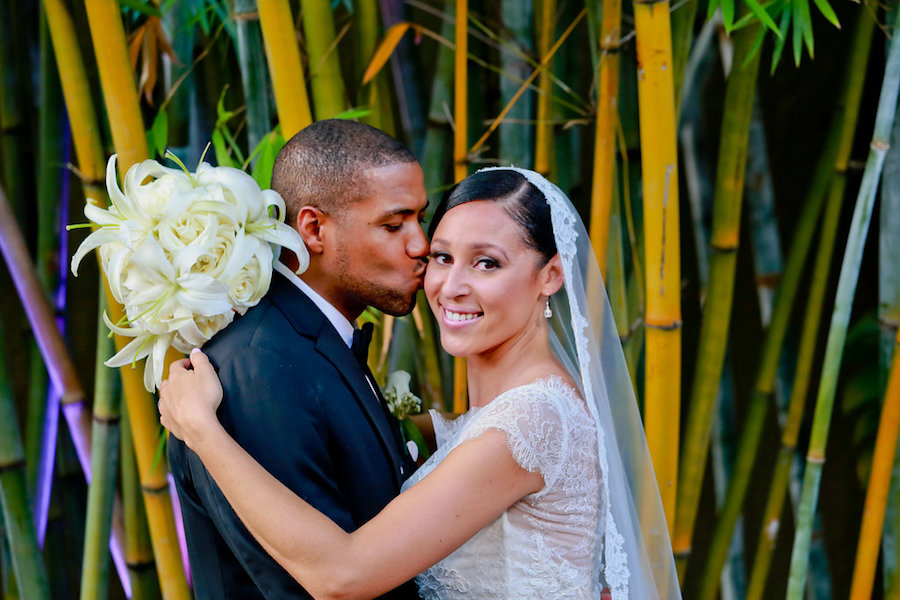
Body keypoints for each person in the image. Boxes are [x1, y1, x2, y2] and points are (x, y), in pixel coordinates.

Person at [160, 167, 682, 599]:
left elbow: (342, 576)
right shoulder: (503, 418)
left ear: (550, 275)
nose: (452, 286)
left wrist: (203, 430)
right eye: (442, 257)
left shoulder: (528, 423)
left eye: (487, 263)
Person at [166, 119, 428, 599]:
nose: (420, 245)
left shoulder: (314, 341)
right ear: (313, 229)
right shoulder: (261, 366)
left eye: (419, 219)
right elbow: (300, 584)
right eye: (393, 225)